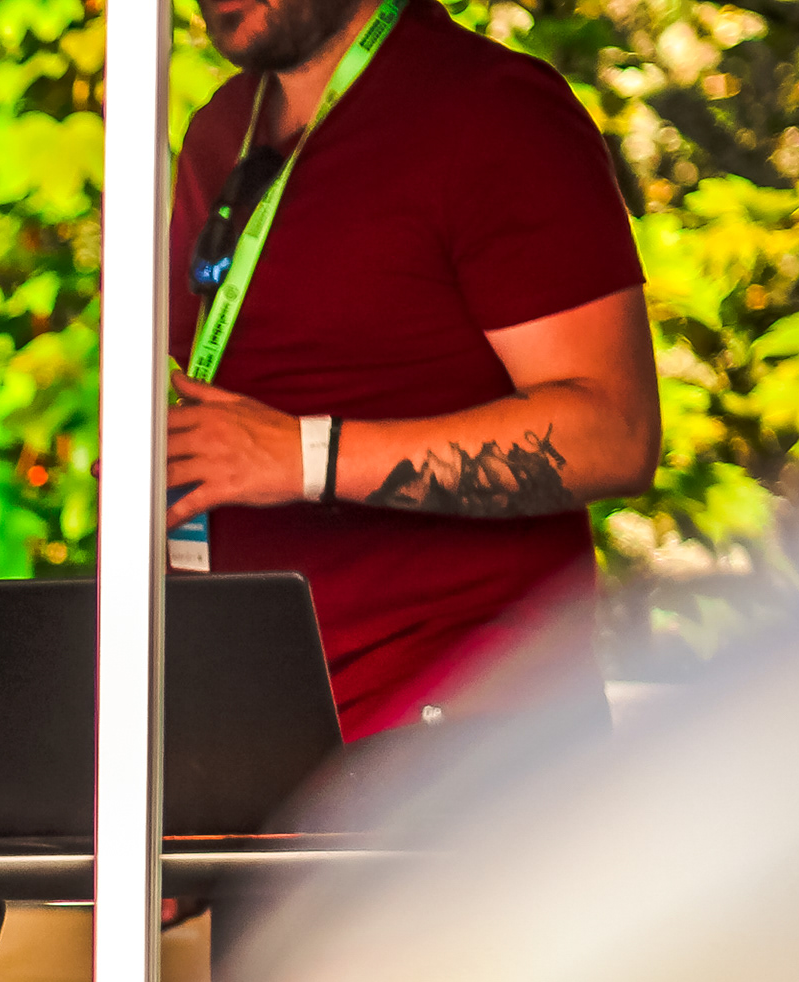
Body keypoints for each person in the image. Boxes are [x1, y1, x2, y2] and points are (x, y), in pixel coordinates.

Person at [161, 0, 658, 740]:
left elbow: (614, 432)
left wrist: (306, 457)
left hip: (462, 743)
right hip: (254, 724)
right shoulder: (219, 129)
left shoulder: (492, 108)